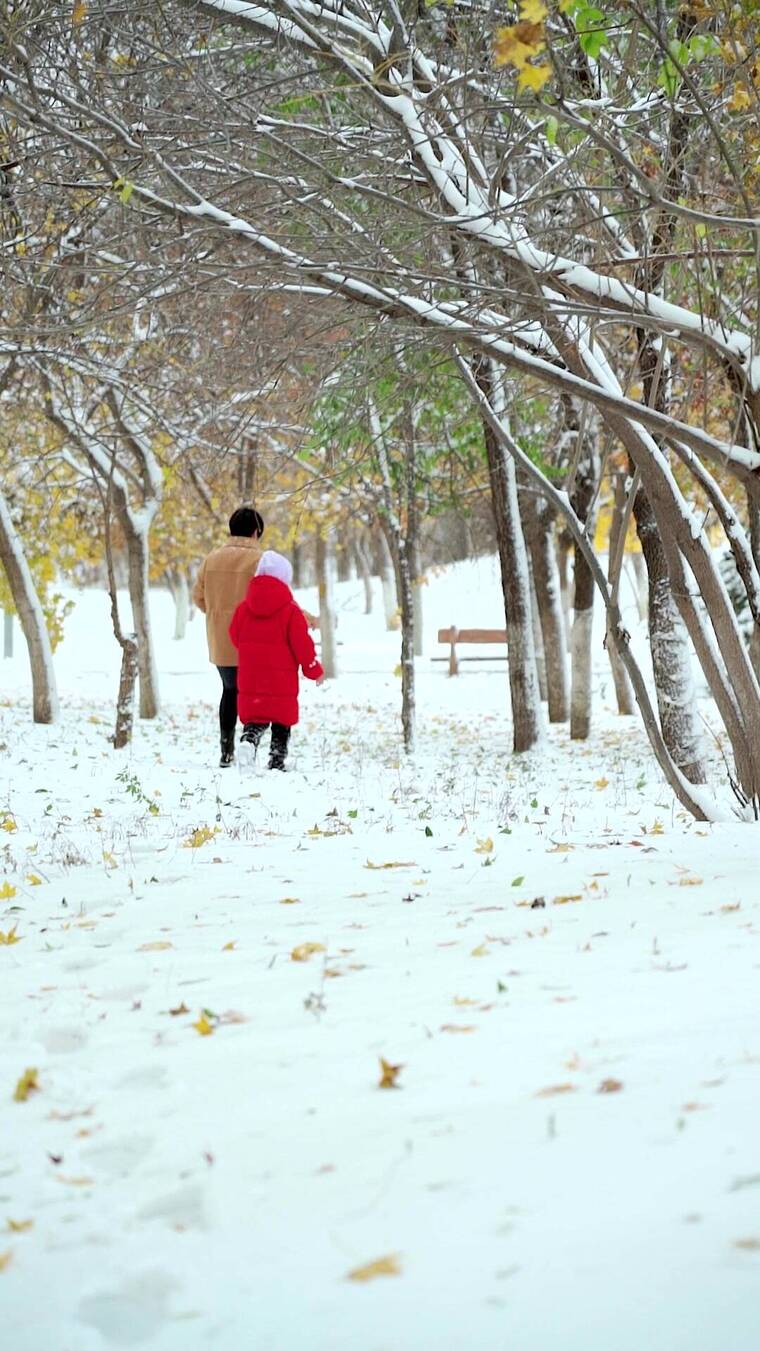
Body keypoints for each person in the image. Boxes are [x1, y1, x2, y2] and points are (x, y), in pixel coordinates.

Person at [192, 507, 316, 767]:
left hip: (220, 640)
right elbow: (280, 603)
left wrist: (216, 614)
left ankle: (227, 751)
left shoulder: (211, 559)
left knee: (229, 691)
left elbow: (198, 597)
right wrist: (310, 619)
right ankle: (259, 746)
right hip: (258, 645)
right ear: (257, 531)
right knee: (257, 695)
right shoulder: (261, 561)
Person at [229, 550, 324, 771]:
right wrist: (314, 670)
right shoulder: (291, 611)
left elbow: (235, 635)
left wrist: (251, 651)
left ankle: (248, 741)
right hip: (281, 680)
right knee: (282, 721)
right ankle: (276, 760)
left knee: (256, 716)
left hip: (252, 676)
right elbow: (303, 645)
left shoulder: (244, 608)